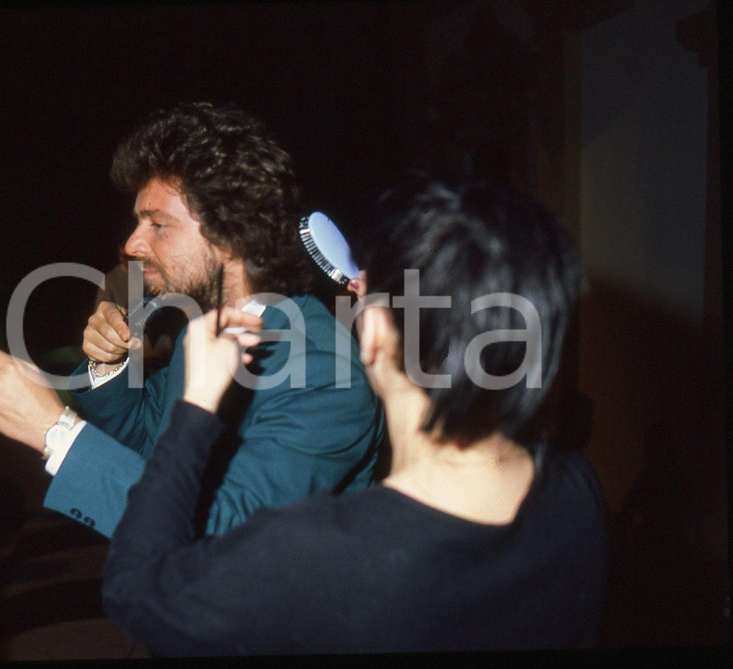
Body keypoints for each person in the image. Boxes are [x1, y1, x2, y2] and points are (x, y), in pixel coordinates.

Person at [100, 171, 609, 654]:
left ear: (375, 335)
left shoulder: (318, 553)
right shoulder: (575, 490)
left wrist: (197, 408)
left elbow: (135, 592)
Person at [0, 101, 383, 538]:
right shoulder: (201, 336)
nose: (132, 243)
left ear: (230, 233)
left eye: (158, 225)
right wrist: (109, 366)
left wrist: (56, 432)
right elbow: (149, 453)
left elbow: (223, 534)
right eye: (137, 222)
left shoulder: (324, 372)